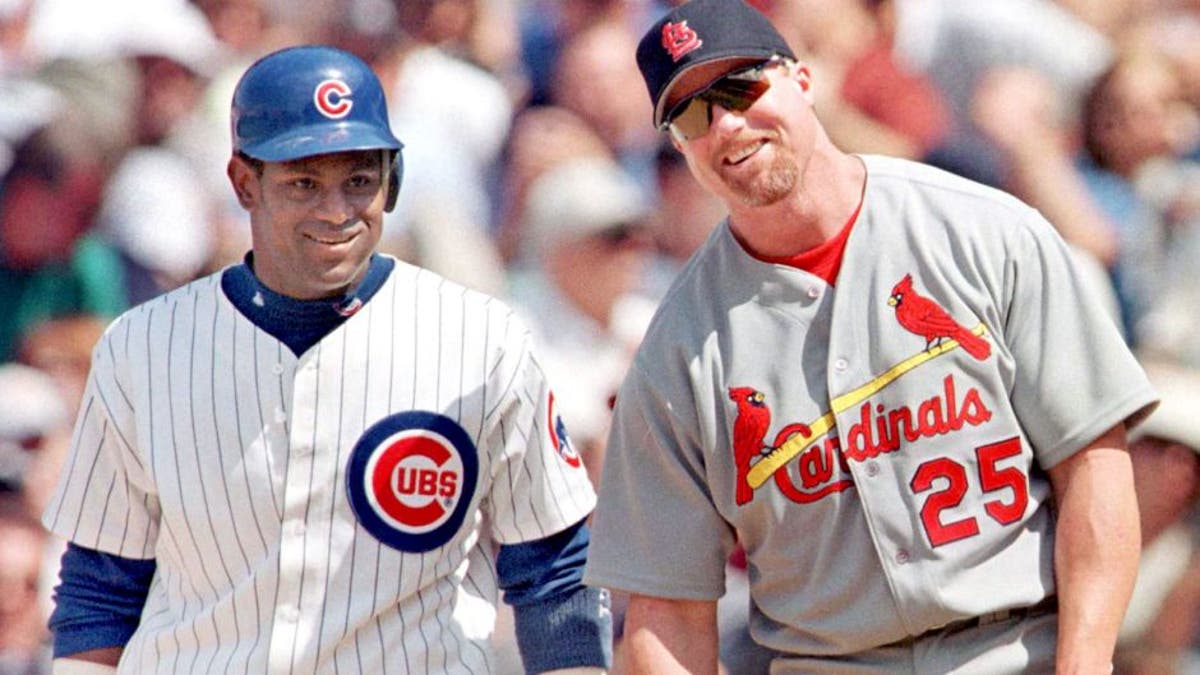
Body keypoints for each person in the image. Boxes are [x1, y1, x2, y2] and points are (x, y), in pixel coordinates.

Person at [582, 0, 1158, 672]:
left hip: (1015, 648)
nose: (727, 123)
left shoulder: (985, 233)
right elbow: (664, 609)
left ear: (801, 80)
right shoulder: (677, 351)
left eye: (740, 85)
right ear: (679, 145)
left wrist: (1085, 663)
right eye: (690, 115)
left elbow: (1091, 460)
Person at [41, 45, 610, 674]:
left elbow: (556, 574)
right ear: (243, 182)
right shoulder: (142, 347)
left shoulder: (484, 338)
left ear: (390, 181)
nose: (336, 212)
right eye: (304, 182)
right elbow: (101, 587)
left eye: (358, 181)